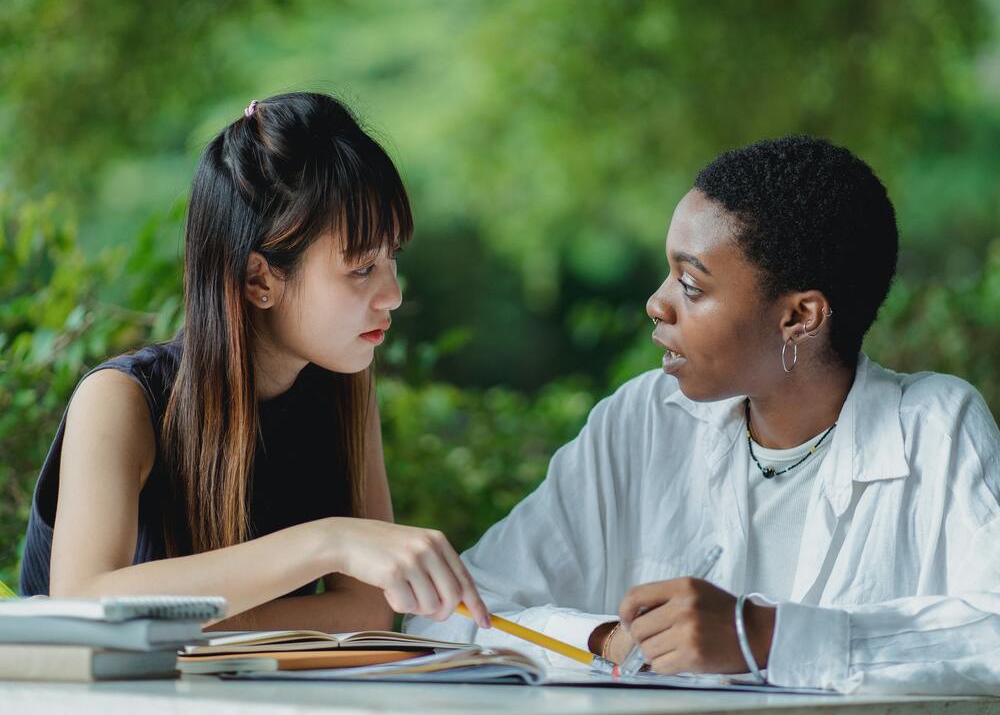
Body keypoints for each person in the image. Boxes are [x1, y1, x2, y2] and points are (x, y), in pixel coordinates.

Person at [407, 135, 1000, 694]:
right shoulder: (641, 422)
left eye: (691, 285)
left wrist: (762, 638)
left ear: (800, 317)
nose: (656, 304)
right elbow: (445, 619)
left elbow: (990, 636)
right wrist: (603, 639)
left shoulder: (933, 429)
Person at [20, 91, 490, 633]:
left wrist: (181, 621)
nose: (393, 294)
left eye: (392, 259)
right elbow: (82, 604)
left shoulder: (342, 389)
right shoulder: (122, 400)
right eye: (361, 268)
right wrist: (326, 542)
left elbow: (367, 612)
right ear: (259, 279)